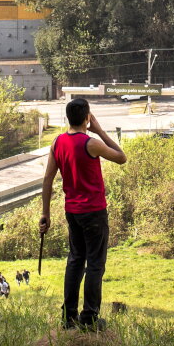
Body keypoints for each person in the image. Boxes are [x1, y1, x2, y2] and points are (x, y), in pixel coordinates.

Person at [40, 97, 127, 330]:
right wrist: (99, 130)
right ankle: (89, 318)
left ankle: (68, 317)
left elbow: (48, 179)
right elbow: (121, 157)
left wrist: (45, 213)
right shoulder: (92, 143)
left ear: (69, 118)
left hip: (72, 212)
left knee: (75, 261)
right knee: (95, 264)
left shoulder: (58, 142)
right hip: (94, 213)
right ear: (87, 118)